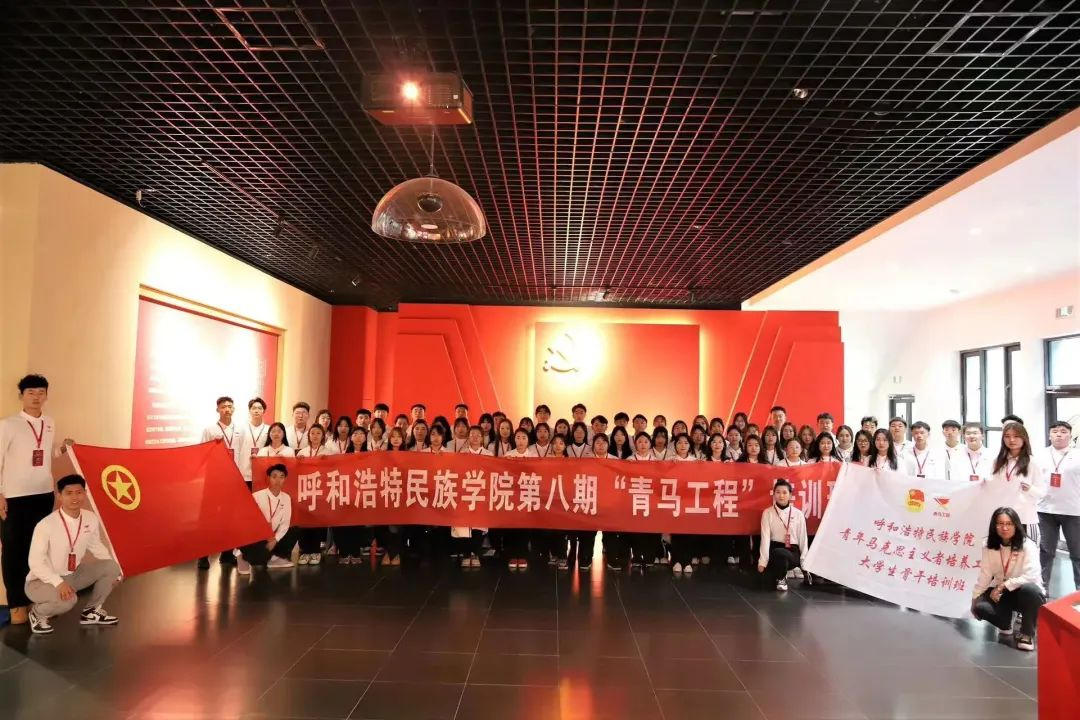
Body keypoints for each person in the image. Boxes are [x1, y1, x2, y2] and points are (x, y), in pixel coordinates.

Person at [1, 374, 72, 626]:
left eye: (41, 392)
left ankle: (35, 599)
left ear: (46, 396)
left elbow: (45, 452)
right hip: (14, 497)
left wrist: (62, 448)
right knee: (14, 552)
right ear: (21, 396)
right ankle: (17, 605)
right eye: (31, 392)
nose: (36, 397)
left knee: (39, 551)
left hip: (43, 495)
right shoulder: (8, 425)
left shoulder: (49, 422)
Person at [25, 475, 121, 634]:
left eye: (79, 492)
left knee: (112, 567)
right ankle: (37, 613)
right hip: (40, 581)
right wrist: (58, 582)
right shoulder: (46, 525)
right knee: (68, 602)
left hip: (73, 574)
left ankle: (91, 612)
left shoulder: (90, 518)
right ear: (59, 496)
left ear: (85, 493)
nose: (75, 497)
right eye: (69, 493)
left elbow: (96, 546)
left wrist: (116, 573)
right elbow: (35, 562)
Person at [971, 507, 1045, 651]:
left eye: (1009, 524)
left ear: (1016, 525)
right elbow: (985, 574)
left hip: (1023, 591)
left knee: (1031, 591)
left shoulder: (1027, 545)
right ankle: (1006, 623)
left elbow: (1032, 576)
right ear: (994, 526)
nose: (1004, 528)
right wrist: (975, 599)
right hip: (1003, 592)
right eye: (1000, 523)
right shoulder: (988, 545)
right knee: (980, 607)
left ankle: (1027, 633)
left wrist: (1003, 586)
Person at [1038, 421, 1079, 591]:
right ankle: (1042, 591)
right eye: (1055, 431)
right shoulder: (1039, 455)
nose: (1059, 434)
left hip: (1074, 510)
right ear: (1049, 435)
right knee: (1045, 552)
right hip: (1045, 510)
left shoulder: (1077, 455)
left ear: (1070, 435)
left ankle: (1078, 593)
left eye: (1063, 431)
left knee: (1077, 553)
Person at [237, 464, 297, 574]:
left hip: (273, 536)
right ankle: (242, 556)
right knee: (258, 556)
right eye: (274, 476)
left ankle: (271, 558)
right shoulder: (257, 496)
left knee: (295, 530)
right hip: (257, 536)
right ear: (268, 478)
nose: (278, 480)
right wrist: (264, 535)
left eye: (281, 477)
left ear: (285, 479)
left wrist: (275, 539)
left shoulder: (286, 498)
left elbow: (285, 523)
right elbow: (248, 521)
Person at [991, 422, 1046, 542]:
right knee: (1004, 552)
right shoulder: (998, 461)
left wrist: (1030, 489)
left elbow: (1042, 493)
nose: (1011, 440)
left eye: (1016, 436)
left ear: (1024, 438)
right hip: (1003, 518)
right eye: (1007, 436)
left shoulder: (1032, 462)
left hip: (1025, 517)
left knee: (1029, 552)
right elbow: (993, 487)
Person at [295, 424, 336, 565]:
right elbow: (296, 471)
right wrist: (298, 462)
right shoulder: (302, 452)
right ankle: (304, 551)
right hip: (305, 491)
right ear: (309, 435)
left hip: (320, 491)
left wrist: (327, 462)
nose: (315, 436)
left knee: (317, 522)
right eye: (312, 433)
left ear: (323, 436)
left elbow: (333, 471)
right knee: (304, 521)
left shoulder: (328, 452)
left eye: (318, 433)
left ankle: (315, 551)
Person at [758, 479, 808, 592]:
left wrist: (804, 562)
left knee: (783, 554)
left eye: (785, 493)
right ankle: (782, 576)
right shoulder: (767, 513)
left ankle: (784, 575)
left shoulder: (798, 514)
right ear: (774, 494)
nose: (781, 496)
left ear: (790, 495)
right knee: (778, 555)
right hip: (774, 549)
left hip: (792, 550)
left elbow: (803, 539)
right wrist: (762, 562)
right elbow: (765, 538)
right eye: (778, 492)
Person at [235, 398, 269, 487]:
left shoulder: (269, 430)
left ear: (264, 411)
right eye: (254, 408)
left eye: (259, 408)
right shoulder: (241, 429)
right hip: (244, 473)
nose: (256, 411)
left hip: (263, 474)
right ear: (249, 411)